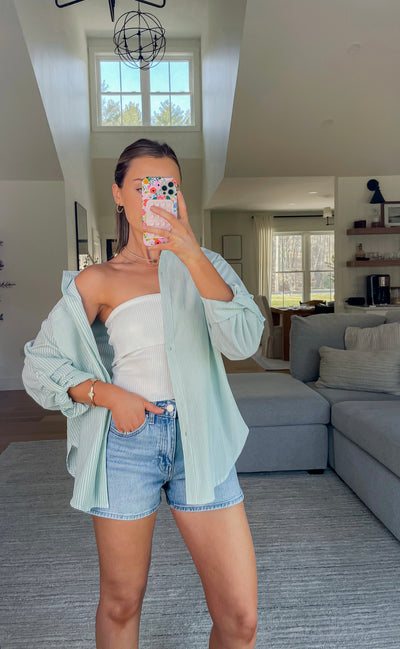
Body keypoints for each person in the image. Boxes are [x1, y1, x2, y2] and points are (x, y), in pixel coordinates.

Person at [22, 138, 265, 649]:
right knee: (121, 601)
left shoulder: (207, 264)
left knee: (240, 619)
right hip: (127, 443)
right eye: (141, 186)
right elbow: (40, 364)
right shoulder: (99, 279)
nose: (155, 196)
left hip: (201, 439)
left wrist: (190, 252)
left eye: (167, 186)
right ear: (118, 195)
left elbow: (243, 341)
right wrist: (109, 395)